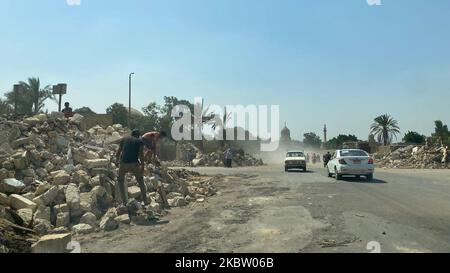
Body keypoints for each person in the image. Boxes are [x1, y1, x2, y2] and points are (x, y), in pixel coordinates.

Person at [115, 129, 147, 205]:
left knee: (120, 181)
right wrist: (142, 166)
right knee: (140, 180)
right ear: (138, 135)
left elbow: (118, 151)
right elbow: (141, 155)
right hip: (134, 164)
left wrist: (117, 160)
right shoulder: (139, 141)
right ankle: (145, 200)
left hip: (123, 164)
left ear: (131, 134)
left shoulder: (124, 139)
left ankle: (125, 202)